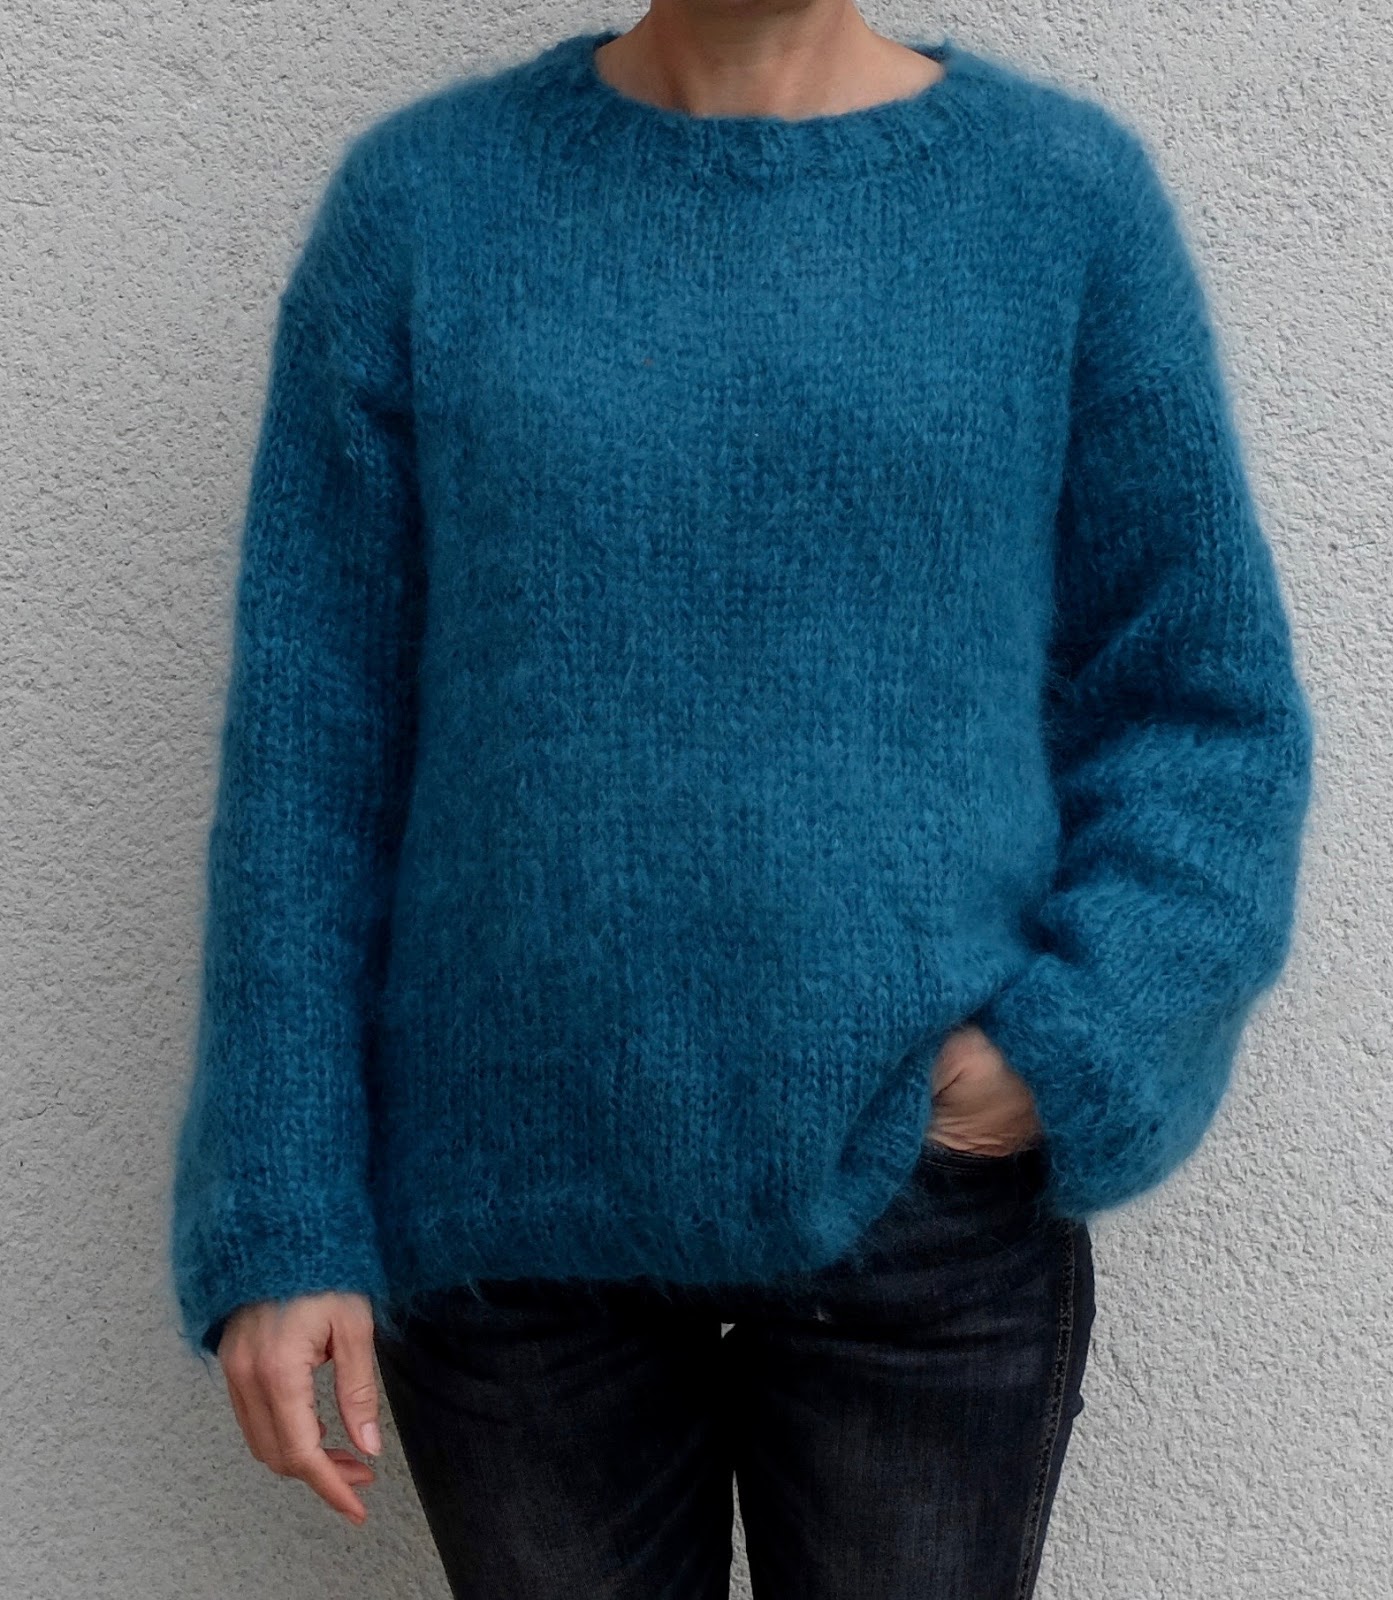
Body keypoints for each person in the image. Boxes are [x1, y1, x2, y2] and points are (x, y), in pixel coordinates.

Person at [166, 4, 1315, 1595]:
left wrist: (1070, 1045)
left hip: (917, 1220)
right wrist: (284, 1207)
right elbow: (313, 750)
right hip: (511, 1223)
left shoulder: (1056, 201)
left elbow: (1200, 702)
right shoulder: (424, 206)